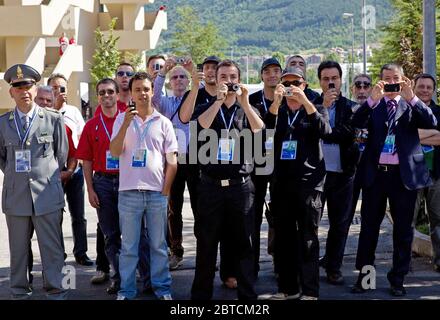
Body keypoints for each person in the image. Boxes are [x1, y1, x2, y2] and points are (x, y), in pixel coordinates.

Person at [351, 63, 437, 296]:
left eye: (395, 79)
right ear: (380, 81)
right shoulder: (374, 105)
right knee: (369, 229)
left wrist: (412, 98)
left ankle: (397, 279)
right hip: (376, 176)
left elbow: (431, 122)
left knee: (402, 231)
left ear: (403, 80)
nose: (391, 83)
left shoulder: (411, 105)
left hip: (403, 177)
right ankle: (365, 278)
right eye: (386, 78)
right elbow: (355, 123)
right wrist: (371, 99)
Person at [190, 59, 264, 300]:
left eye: (233, 77)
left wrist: (244, 101)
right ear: (217, 79)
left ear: (239, 80)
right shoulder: (206, 106)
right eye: (224, 77)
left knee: (244, 245)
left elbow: (259, 128)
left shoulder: (247, 107)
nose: (229, 81)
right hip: (211, 187)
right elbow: (200, 125)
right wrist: (219, 101)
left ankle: (248, 297)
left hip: (240, 188)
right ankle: (200, 298)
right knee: (206, 245)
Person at [0, 64, 68, 299]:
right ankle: (19, 291)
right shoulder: (2, 123)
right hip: (16, 196)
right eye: (17, 86)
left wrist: (44, 176)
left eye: (27, 85)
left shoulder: (53, 119)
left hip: (47, 195)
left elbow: (61, 156)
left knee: (52, 250)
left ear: (35, 88)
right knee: (18, 251)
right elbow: (3, 160)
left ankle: (57, 290)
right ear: (11, 92)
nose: (23, 90)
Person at [263, 66, 331, 300]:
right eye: (287, 83)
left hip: (309, 184)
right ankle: (288, 288)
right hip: (281, 184)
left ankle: (310, 291)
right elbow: (264, 133)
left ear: (304, 85)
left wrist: (307, 104)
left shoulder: (316, 107)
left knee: (308, 237)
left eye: (296, 83)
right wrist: (276, 102)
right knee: (283, 238)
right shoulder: (277, 110)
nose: (291, 87)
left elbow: (325, 131)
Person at [110, 72, 178, 300]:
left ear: (152, 91)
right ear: (131, 93)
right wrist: (126, 124)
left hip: (157, 193)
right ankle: (126, 291)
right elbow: (115, 151)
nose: (142, 93)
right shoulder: (121, 119)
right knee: (129, 247)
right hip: (128, 193)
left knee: (158, 246)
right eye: (137, 89)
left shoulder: (164, 122)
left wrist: (166, 191)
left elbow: (172, 161)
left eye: (146, 89)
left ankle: (163, 289)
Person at [76, 78, 123, 294]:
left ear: (117, 94)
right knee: (110, 234)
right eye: (102, 93)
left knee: (137, 233)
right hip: (102, 182)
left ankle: (144, 275)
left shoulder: (128, 118)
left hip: (127, 180)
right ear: (98, 96)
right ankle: (117, 276)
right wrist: (91, 189)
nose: (106, 96)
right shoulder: (91, 125)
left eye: (110, 92)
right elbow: (86, 160)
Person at [314, 61, 359, 285]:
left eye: (334, 78)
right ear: (319, 81)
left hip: (343, 174)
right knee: (311, 223)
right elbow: (307, 131)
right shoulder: (311, 104)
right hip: (315, 175)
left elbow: (347, 134)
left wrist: (324, 133)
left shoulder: (351, 107)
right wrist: (321, 107)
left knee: (339, 224)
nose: (330, 82)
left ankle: (334, 267)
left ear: (341, 80)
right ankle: (310, 265)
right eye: (325, 78)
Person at [152, 59, 198, 270]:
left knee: (201, 207)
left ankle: (204, 250)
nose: (179, 80)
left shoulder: (196, 98)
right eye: (175, 77)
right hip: (173, 159)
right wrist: (163, 72)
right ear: (170, 82)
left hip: (196, 158)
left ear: (188, 81)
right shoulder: (165, 103)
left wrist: (193, 71)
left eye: (183, 77)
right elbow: (154, 95)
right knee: (173, 208)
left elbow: (205, 85)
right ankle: (176, 251)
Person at [48, 73, 91, 266]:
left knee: (78, 215)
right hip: (52, 172)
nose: (59, 91)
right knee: (55, 215)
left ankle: (81, 253)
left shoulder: (73, 111)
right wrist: (54, 107)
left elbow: (82, 139)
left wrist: (76, 166)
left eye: (62, 87)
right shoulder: (44, 112)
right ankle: (59, 254)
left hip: (74, 170)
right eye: (55, 87)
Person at [248, 57, 282, 277]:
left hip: (280, 162)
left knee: (280, 215)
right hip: (257, 161)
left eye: (276, 71)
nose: (271, 75)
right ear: (261, 76)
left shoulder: (289, 98)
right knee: (253, 215)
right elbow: (260, 129)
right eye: (267, 71)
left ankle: (280, 264)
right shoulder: (251, 100)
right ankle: (251, 265)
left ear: (281, 74)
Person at [413, 73, 440, 273]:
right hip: (411, 174)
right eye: (421, 86)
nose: (424, 90)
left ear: (433, 90)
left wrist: (416, 137)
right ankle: (403, 262)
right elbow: (405, 138)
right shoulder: (405, 111)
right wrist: (430, 135)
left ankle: (439, 260)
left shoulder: (439, 111)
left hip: (436, 174)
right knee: (407, 220)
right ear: (414, 88)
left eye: (428, 87)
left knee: (438, 219)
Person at [349, 74, 373, 225]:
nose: (362, 90)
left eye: (366, 86)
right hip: (350, 169)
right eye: (358, 86)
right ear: (352, 90)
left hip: (371, 169)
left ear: (371, 89)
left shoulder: (379, 111)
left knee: (370, 216)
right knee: (345, 214)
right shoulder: (346, 110)